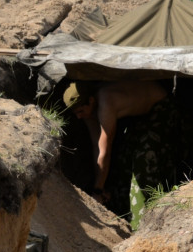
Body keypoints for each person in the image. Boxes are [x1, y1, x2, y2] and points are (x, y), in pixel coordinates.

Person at [63, 80, 177, 213]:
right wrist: (99, 186)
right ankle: (122, 210)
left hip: (161, 108)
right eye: (75, 113)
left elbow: (105, 149)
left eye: (80, 111)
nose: (79, 116)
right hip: (140, 117)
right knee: (123, 159)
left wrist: (97, 190)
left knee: (143, 158)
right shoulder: (87, 110)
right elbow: (97, 146)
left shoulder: (106, 103)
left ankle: (152, 209)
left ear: (91, 100)